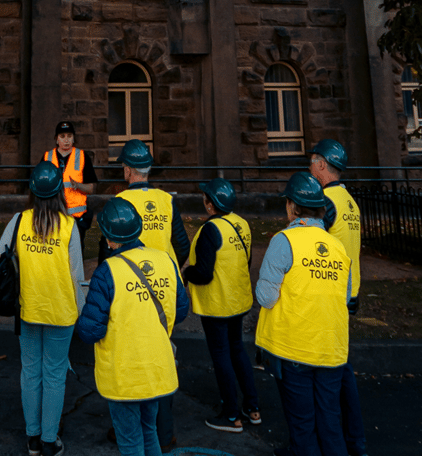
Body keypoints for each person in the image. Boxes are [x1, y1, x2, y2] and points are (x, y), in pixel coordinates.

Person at [77, 197, 189, 456]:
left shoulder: (107, 271)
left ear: (109, 238)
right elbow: (180, 311)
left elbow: (90, 331)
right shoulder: (165, 260)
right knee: (149, 431)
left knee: (129, 441)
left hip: (124, 375)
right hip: (157, 369)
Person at [256, 172, 352, 456]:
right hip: (331, 348)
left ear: (292, 206)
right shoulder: (337, 246)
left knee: (302, 421)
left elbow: (266, 296)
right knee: (330, 419)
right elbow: (343, 298)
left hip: (294, 348)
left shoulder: (284, 241)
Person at [0, 161, 86, 456]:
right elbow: (76, 276)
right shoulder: (70, 226)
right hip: (61, 312)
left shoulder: (20, 221)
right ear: (60, 190)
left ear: (32, 191)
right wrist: (83, 314)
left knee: (30, 372)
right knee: (55, 374)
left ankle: (32, 437)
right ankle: (50, 439)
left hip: (28, 309)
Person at [182, 178, 260, 433]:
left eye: (205, 197)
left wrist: (186, 273)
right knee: (237, 350)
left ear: (210, 204)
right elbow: (244, 261)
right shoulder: (242, 224)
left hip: (217, 304)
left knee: (221, 356)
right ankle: (252, 407)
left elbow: (203, 274)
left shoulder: (210, 230)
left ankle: (230, 415)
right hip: (238, 300)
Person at [308, 139, 367, 456]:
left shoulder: (325, 202)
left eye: (312, 163)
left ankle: (328, 444)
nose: (309, 168)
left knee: (326, 378)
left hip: (328, 298)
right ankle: (355, 442)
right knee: (342, 371)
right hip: (348, 294)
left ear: (320, 164)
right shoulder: (350, 202)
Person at [109, 138, 190, 266]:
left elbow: (110, 246)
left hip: (132, 279)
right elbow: (183, 246)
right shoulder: (166, 199)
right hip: (165, 279)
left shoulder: (120, 200)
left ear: (127, 170)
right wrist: (170, 269)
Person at [42, 121, 98, 246]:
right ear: (56, 139)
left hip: (76, 218)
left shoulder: (83, 156)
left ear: (74, 138)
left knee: (75, 257)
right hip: (54, 216)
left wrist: (78, 185)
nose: (66, 140)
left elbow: (91, 188)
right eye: (62, 136)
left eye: (69, 136)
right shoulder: (47, 157)